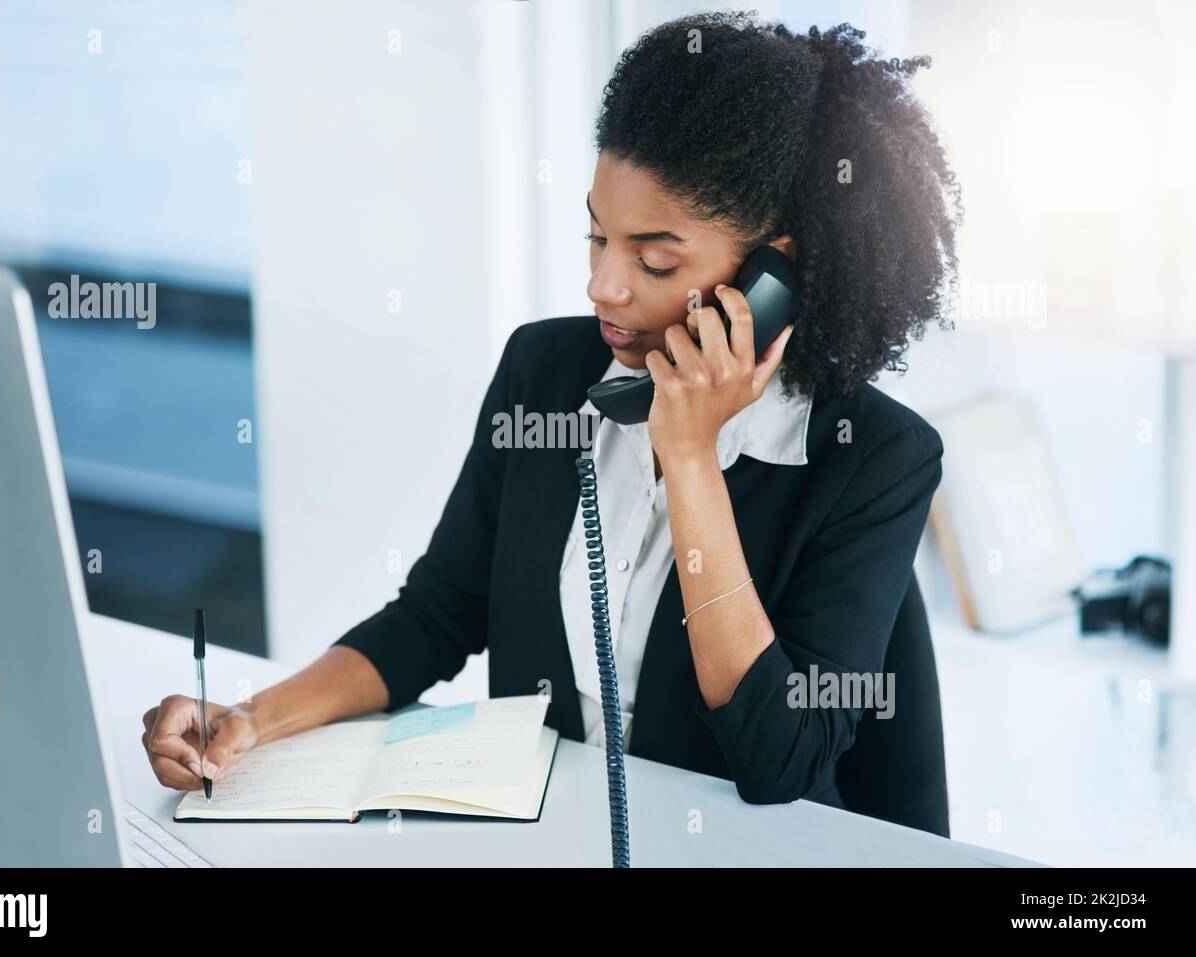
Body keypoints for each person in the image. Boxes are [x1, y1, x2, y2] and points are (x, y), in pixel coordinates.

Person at [142, 15, 960, 816]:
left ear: (771, 275)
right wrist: (250, 718)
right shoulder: (544, 373)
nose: (604, 284)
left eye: (655, 258)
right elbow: (436, 613)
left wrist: (692, 456)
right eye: (595, 236)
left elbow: (780, 757)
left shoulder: (879, 458)